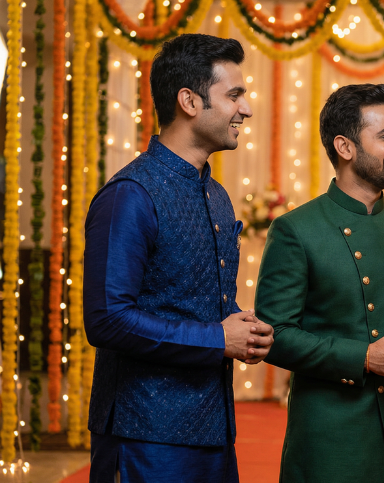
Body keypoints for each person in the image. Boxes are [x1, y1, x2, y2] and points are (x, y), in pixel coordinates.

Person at [84, 34, 274, 482]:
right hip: (144, 433)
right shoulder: (131, 195)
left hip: (214, 429)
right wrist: (218, 338)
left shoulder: (217, 195)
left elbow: (193, 300)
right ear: (189, 101)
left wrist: (243, 329)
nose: (246, 109)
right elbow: (107, 320)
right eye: (234, 95)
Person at [255, 83, 384, 482]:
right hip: (332, 442)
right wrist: (363, 357)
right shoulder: (296, 229)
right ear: (345, 147)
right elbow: (274, 335)